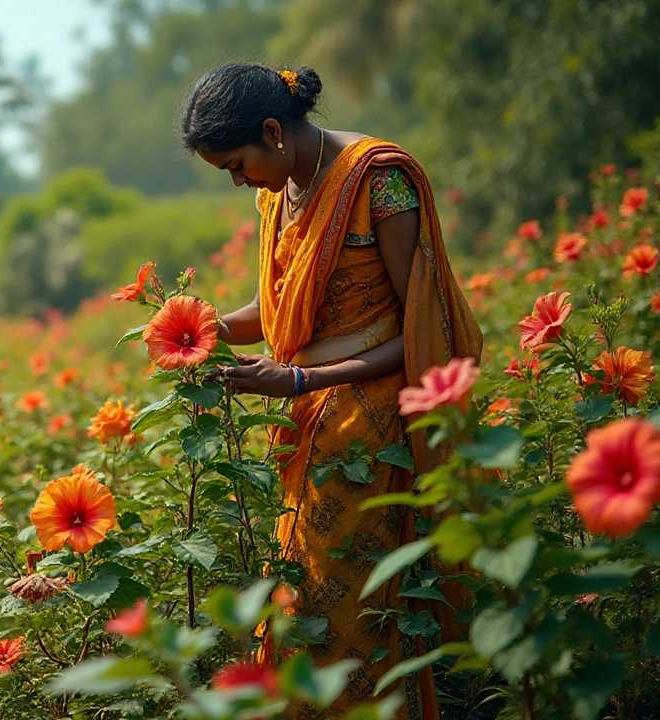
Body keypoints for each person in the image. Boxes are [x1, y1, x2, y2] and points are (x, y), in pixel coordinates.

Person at [180, 63, 482, 720]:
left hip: (372, 433)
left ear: (272, 131)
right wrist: (197, 325)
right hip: (310, 424)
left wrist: (298, 379)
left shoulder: (380, 183)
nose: (237, 181)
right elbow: (278, 307)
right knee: (301, 604)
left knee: (353, 615)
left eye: (236, 164)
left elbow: (422, 326)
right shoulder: (280, 189)